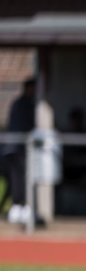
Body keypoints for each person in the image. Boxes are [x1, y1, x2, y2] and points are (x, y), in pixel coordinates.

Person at [3, 77, 35, 225]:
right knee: (18, 179)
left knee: (15, 180)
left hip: (15, 147)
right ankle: (17, 207)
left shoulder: (22, 103)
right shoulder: (23, 104)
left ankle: (16, 207)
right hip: (16, 147)